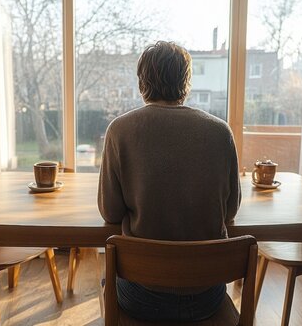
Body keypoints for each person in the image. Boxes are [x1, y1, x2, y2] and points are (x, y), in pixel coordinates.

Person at [98, 40, 241, 322]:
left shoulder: (120, 131)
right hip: (206, 294)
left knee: (106, 280)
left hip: (141, 294)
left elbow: (110, 212)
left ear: (142, 82)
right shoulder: (220, 132)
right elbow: (230, 211)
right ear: (186, 82)